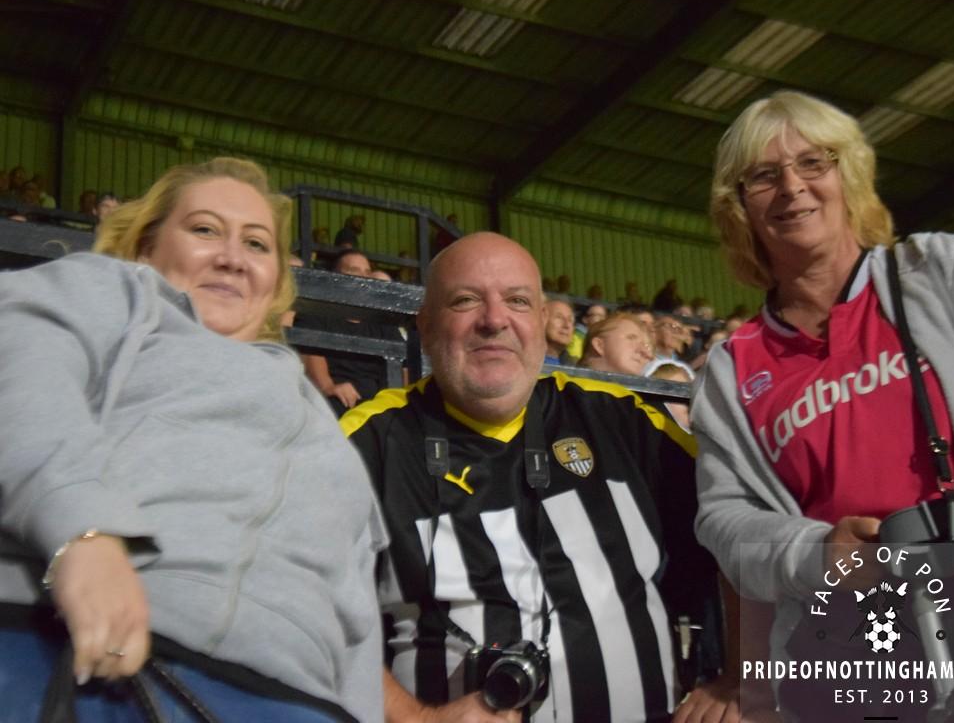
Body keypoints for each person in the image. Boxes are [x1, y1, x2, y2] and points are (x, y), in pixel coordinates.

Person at [0, 157, 386, 722]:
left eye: (256, 244)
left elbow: (356, 618)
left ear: (276, 280)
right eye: (205, 230)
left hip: (291, 702)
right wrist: (83, 532)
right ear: (145, 248)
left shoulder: (325, 428)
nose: (232, 258)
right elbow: (20, 364)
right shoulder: (112, 292)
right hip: (78, 653)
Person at [692, 90, 954, 720]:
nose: (792, 187)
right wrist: (820, 555)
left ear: (848, 174)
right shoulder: (733, 367)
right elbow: (725, 519)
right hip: (856, 650)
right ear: (739, 207)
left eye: (812, 162)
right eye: (764, 176)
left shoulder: (939, 268)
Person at [341, 232, 725, 723]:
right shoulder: (369, 443)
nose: (494, 319)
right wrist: (416, 717)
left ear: (541, 324)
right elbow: (294, 599)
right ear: (426, 325)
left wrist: (742, 676)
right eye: (465, 300)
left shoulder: (620, 422)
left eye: (517, 301)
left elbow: (739, 527)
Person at [295, 248, 405, 415]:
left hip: (380, 404)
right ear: (336, 277)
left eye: (367, 272)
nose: (363, 278)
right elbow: (310, 354)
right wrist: (328, 387)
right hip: (338, 400)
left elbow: (403, 366)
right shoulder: (316, 314)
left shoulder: (382, 321)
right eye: (354, 271)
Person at [577, 313, 653, 377]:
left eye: (645, 346)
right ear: (599, 345)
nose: (647, 354)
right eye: (631, 338)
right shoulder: (570, 388)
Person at [542, 296, 574, 365]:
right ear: (541, 320)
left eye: (570, 320)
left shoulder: (576, 368)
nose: (566, 325)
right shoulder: (522, 361)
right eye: (559, 317)